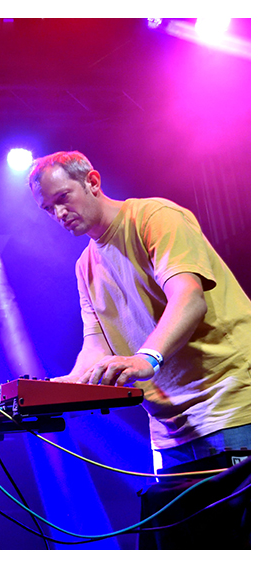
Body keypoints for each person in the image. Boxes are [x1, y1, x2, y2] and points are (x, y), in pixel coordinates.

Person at [27, 151, 250, 472]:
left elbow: (189, 297)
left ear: (92, 182)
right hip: (169, 432)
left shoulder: (154, 217)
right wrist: (66, 388)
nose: (59, 213)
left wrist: (146, 359)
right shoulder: (84, 266)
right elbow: (96, 345)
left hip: (231, 406)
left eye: (63, 198)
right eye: (49, 209)